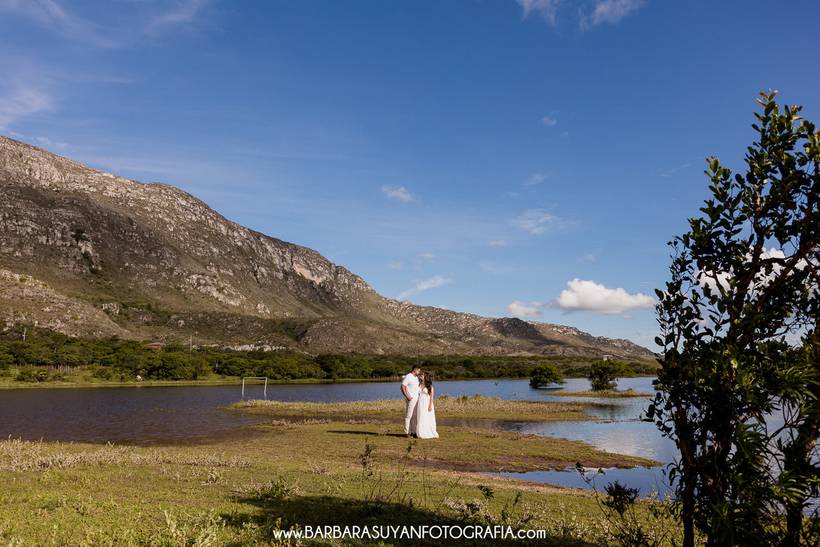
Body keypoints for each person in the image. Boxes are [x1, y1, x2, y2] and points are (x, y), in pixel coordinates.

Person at [415, 372, 439, 439]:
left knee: (427, 416)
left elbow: (431, 397)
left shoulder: (430, 386)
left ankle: (428, 431)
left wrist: (430, 406)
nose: (421, 376)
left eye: (422, 375)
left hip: (427, 403)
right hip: (420, 403)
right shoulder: (419, 384)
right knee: (420, 416)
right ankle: (420, 432)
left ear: (426, 377)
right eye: (420, 375)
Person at [400, 366, 421, 437]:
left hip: (416, 399)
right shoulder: (408, 376)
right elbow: (402, 387)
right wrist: (408, 396)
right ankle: (406, 432)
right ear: (415, 370)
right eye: (418, 371)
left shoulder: (416, 377)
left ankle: (413, 432)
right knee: (409, 416)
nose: (419, 372)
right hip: (411, 399)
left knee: (414, 416)